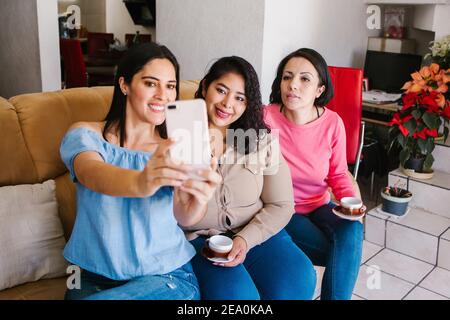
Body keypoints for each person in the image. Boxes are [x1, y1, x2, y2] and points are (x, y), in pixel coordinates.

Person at [60, 43, 221, 300]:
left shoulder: (174, 147)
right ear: (124, 85)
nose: (163, 95)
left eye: (170, 86)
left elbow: (186, 217)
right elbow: (92, 173)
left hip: (164, 276)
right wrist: (141, 180)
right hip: (89, 276)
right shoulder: (85, 134)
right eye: (150, 83)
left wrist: (198, 199)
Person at [183, 56, 317, 300]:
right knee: (240, 296)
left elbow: (282, 204)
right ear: (204, 87)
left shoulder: (256, 139)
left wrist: (245, 240)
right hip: (201, 242)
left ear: (247, 104)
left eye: (239, 98)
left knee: (298, 276)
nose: (227, 104)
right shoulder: (181, 135)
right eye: (221, 90)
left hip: (253, 231)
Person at [263, 48, 364, 300]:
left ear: (320, 89)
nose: (293, 85)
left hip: (319, 205)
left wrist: (351, 205)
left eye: (304, 79)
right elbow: (240, 159)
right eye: (287, 77)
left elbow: (339, 174)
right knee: (343, 253)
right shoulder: (264, 117)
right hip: (282, 209)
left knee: (352, 231)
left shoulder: (333, 123)